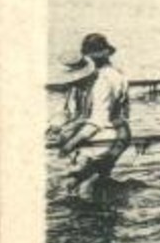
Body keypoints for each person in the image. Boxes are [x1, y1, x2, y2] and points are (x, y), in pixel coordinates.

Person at [50, 33, 130, 199]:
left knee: (87, 181)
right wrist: (55, 125)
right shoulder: (80, 82)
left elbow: (99, 120)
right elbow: (69, 110)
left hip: (112, 132)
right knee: (80, 180)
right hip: (91, 131)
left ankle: (97, 211)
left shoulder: (107, 79)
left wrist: (71, 143)